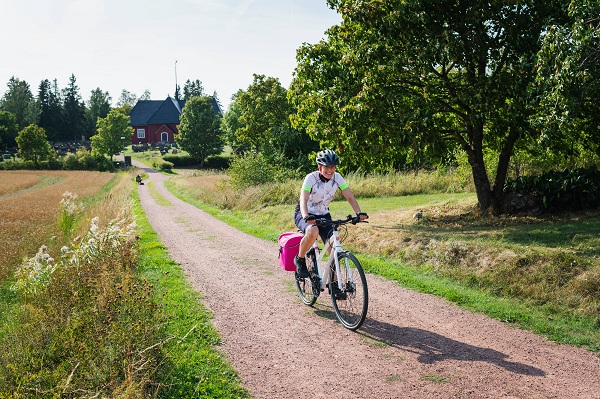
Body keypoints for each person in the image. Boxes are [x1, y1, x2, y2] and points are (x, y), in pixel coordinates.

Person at [293, 149, 368, 278]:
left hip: (323, 214)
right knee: (313, 231)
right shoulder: (311, 178)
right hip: (304, 212)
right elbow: (303, 199)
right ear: (319, 167)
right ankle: (300, 259)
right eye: (326, 167)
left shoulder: (337, 178)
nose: (330, 170)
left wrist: (358, 212)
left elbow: (349, 196)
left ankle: (335, 285)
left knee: (333, 249)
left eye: (332, 167)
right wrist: (306, 216)